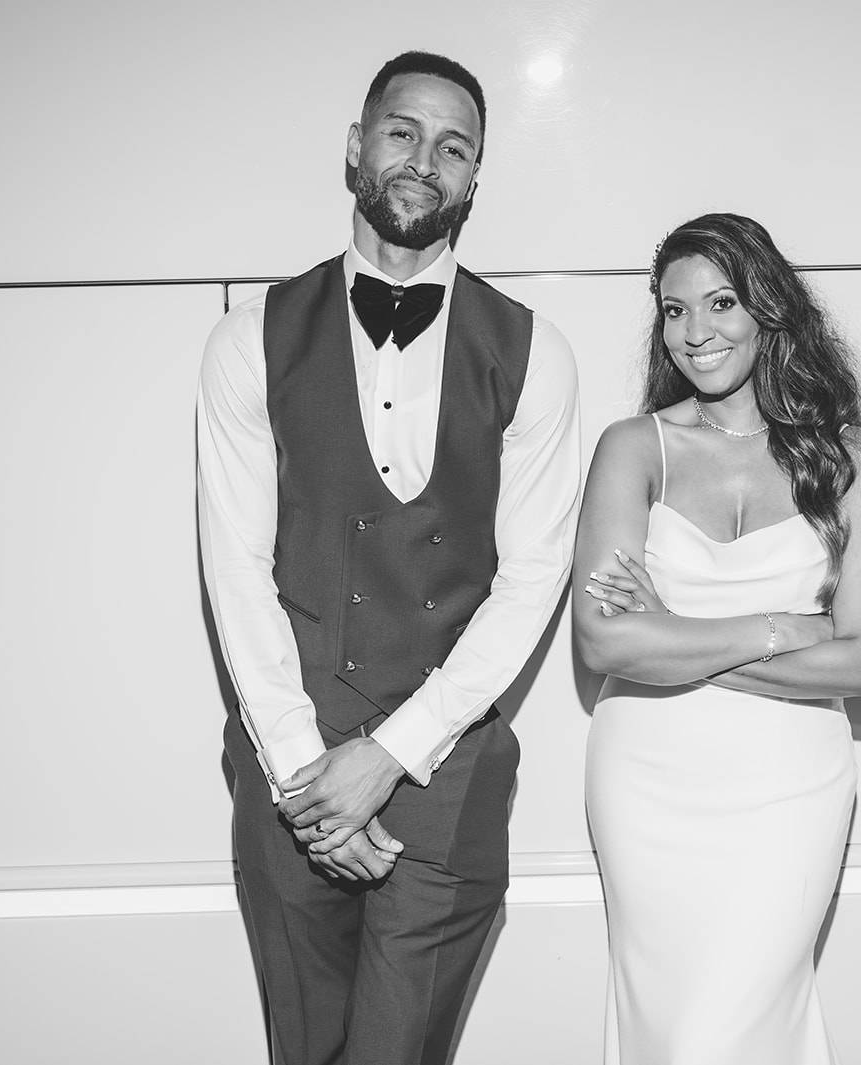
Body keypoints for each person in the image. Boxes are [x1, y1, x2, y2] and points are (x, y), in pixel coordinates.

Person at [196, 51, 580, 1065]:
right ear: (357, 147)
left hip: (447, 774)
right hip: (289, 763)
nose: (424, 159)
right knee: (306, 1049)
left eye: (454, 147)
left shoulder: (537, 353)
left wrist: (390, 755)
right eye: (403, 132)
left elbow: (531, 580)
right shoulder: (246, 340)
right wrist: (305, 778)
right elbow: (236, 569)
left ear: (474, 179)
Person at [575, 213, 861, 1064]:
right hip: (648, 783)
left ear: (768, 309)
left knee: (728, 1029)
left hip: (788, 787)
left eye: (720, 302)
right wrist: (781, 630)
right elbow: (605, 646)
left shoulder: (851, 460)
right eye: (673, 310)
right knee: (671, 1032)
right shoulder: (632, 448)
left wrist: (672, 635)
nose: (696, 331)